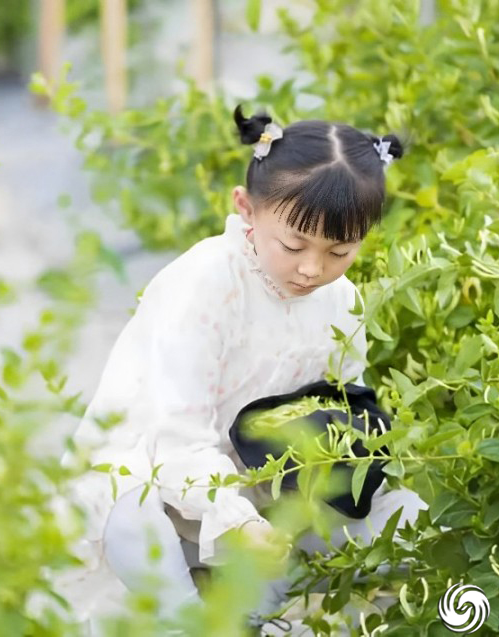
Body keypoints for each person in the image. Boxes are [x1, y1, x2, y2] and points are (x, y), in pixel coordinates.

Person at [58, 105, 427, 633]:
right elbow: (175, 438)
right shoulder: (206, 284)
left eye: (340, 251)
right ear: (247, 209)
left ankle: (251, 604)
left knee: (410, 521)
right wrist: (233, 518)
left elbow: (343, 410)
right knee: (129, 510)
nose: (311, 269)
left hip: (266, 486)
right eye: (294, 245)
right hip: (163, 477)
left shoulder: (340, 301)